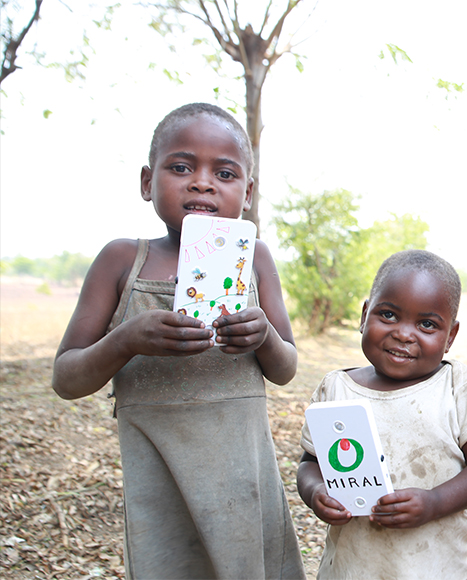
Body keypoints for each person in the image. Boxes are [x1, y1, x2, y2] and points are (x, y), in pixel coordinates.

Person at [52, 103, 305, 579]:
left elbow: (286, 366)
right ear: (147, 182)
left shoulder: (254, 258)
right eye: (182, 167)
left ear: (247, 192)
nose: (202, 182)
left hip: (242, 483)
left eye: (224, 173)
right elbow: (66, 378)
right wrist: (126, 340)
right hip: (160, 482)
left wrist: (263, 335)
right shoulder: (123, 260)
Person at [297, 249, 467, 580]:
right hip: (352, 569)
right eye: (389, 315)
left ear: (450, 336)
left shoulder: (457, 387)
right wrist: (315, 492)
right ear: (365, 314)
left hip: (438, 569)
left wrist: (434, 502)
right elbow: (310, 463)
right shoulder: (336, 389)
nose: (404, 334)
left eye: (426, 324)